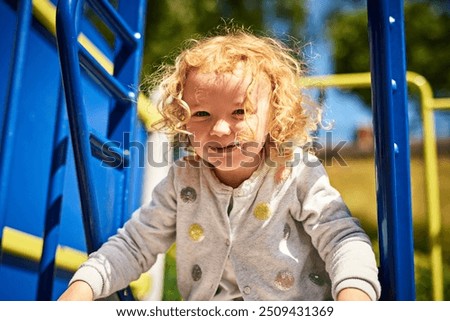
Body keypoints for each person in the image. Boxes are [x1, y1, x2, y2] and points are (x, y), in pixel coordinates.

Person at [59, 29, 381, 301]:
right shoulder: (183, 179)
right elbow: (135, 244)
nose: (221, 129)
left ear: (275, 115)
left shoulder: (294, 171)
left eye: (240, 112)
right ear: (183, 120)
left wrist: (354, 296)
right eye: (201, 114)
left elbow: (341, 238)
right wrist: (82, 288)